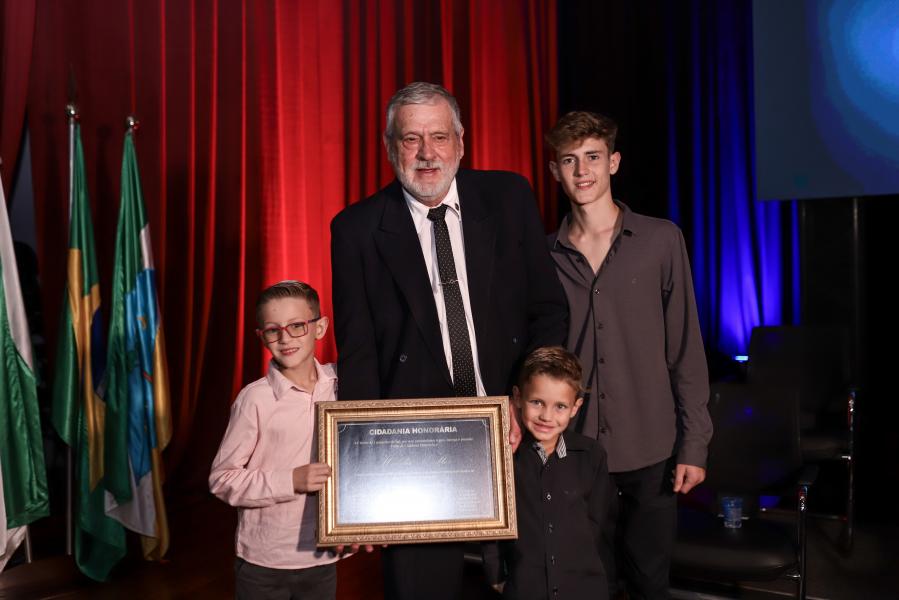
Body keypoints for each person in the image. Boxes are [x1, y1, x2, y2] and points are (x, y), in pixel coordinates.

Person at [330, 81, 568, 600]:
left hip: (516, 427)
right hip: (417, 449)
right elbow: (359, 354)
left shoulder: (509, 197)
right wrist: (359, 481)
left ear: (461, 141)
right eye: (410, 139)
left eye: (439, 136)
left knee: (543, 584)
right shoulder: (356, 229)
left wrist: (525, 401)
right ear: (389, 147)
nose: (427, 153)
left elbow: (549, 311)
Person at [545, 111, 712, 599]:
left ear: (613, 162)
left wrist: (695, 445)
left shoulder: (661, 240)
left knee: (648, 585)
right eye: (569, 160)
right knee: (585, 585)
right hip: (573, 450)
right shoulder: (543, 254)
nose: (582, 171)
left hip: (651, 448)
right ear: (555, 170)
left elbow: (686, 349)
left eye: (593, 157)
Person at [209, 280, 340, 600]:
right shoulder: (255, 399)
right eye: (273, 330)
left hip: (323, 556)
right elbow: (222, 479)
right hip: (264, 562)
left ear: (319, 327)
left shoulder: (342, 385)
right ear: (261, 336)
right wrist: (290, 480)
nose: (285, 338)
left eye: (297, 326)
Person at [484, 346, 609, 600]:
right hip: (525, 588)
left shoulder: (592, 455)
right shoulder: (504, 456)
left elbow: (597, 522)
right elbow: (492, 525)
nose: (546, 416)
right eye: (537, 402)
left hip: (582, 589)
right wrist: (496, 574)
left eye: (560, 406)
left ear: (575, 407)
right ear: (518, 397)